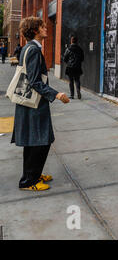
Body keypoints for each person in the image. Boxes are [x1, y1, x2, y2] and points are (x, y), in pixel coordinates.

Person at [12, 17, 70, 191]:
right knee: (40, 141)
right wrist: (57, 94)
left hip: (30, 103)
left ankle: (33, 175)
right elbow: (35, 81)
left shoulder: (28, 48)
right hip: (34, 104)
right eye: (43, 26)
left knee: (34, 141)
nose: (46, 28)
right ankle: (29, 181)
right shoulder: (34, 50)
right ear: (35, 30)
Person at [63, 35, 85, 99]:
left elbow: (65, 58)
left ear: (71, 41)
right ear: (77, 41)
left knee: (71, 81)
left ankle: (72, 95)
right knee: (77, 80)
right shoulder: (80, 49)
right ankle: (78, 92)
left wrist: (68, 62)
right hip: (77, 67)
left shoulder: (68, 49)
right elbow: (82, 58)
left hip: (70, 67)